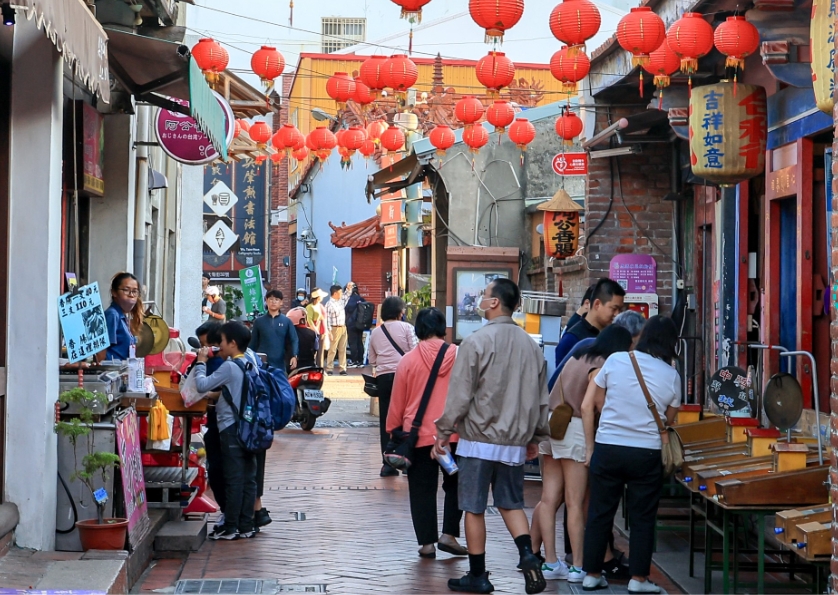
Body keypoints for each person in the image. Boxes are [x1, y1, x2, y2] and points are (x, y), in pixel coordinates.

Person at [435, 278, 550, 595]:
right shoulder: (530, 346)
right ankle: (528, 554)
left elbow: (459, 396)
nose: (481, 300)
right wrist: (535, 438)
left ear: (495, 302)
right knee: (511, 503)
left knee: (472, 507)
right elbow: (542, 399)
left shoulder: (475, 342)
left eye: (484, 296)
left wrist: (444, 431)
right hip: (513, 442)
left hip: (478, 439)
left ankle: (478, 575)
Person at [580, 316, 681, 594]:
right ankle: (638, 579)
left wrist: (590, 448)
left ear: (644, 335)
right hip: (646, 453)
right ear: (672, 343)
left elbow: (588, 405)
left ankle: (591, 574)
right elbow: (669, 420)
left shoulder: (615, 361)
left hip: (608, 448)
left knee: (600, 513)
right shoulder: (671, 375)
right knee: (643, 517)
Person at [530, 326, 634, 583]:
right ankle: (577, 565)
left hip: (552, 424)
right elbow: (593, 406)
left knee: (548, 499)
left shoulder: (580, 354)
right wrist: (591, 447)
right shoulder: (600, 365)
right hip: (574, 429)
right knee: (575, 502)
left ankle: (551, 562)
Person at [387, 307, 465, 559]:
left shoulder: (408, 360)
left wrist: (393, 430)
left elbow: (397, 400)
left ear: (418, 329)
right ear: (443, 327)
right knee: (456, 486)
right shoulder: (460, 356)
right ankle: (449, 535)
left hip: (417, 434)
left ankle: (426, 543)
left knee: (421, 489)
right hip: (454, 434)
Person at [193, 322, 258, 540]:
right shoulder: (250, 361)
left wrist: (201, 362)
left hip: (231, 428)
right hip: (249, 427)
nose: (217, 346)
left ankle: (230, 527)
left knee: (233, 478)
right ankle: (246, 525)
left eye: (220, 341)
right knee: (248, 479)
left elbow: (201, 384)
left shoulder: (229, 366)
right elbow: (233, 392)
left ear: (232, 343)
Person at [369, 296, 418, 477]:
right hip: (404, 377)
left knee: (386, 421)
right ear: (400, 312)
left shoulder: (376, 332)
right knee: (408, 417)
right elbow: (414, 352)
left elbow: (372, 359)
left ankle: (387, 463)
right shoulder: (407, 328)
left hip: (383, 378)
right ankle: (406, 459)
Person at [550, 278, 625, 390]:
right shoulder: (572, 339)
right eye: (614, 309)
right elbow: (560, 385)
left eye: (620, 310)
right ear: (597, 304)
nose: (617, 314)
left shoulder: (613, 336)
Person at [193, 321, 226, 531]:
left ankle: (229, 514)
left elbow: (203, 385)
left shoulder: (222, 363)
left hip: (223, 424)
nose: (202, 350)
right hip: (218, 422)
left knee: (220, 469)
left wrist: (201, 362)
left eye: (205, 345)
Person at [97, 272, 143, 362]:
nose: (131, 294)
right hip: (112, 372)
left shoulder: (123, 317)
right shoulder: (112, 315)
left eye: (134, 291)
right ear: (114, 292)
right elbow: (101, 351)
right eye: (126, 290)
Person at [249, 290, 299, 371]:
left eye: (277, 299)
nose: (273, 302)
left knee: (279, 383)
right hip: (261, 362)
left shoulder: (286, 321)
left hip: (280, 362)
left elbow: (294, 339)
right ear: (266, 301)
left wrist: (294, 356)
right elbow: (253, 342)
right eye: (271, 299)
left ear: (281, 302)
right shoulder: (259, 321)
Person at [325, 284, 350, 376]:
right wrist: (329, 331)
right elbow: (327, 319)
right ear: (335, 293)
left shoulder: (340, 301)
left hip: (343, 327)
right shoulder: (329, 304)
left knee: (342, 349)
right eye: (340, 292)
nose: (341, 294)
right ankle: (329, 368)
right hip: (334, 328)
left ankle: (342, 368)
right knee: (332, 349)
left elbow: (346, 297)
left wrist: (348, 288)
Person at [344, 281, 367, 368]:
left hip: (351, 324)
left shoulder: (350, 300)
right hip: (360, 323)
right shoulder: (361, 299)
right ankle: (360, 361)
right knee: (359, 342)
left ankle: (354, 361)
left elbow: (347, 309)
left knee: (353, 342)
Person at [306, 288, 329, 368]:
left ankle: (320, 367)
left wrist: (327, 331)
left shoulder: (320, 306)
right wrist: (315, 330)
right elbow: (309, 320)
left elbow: (324, 318)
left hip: (322, 330)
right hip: (315, 331)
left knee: (321, 351)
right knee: (314, 350)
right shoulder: (310, 307)